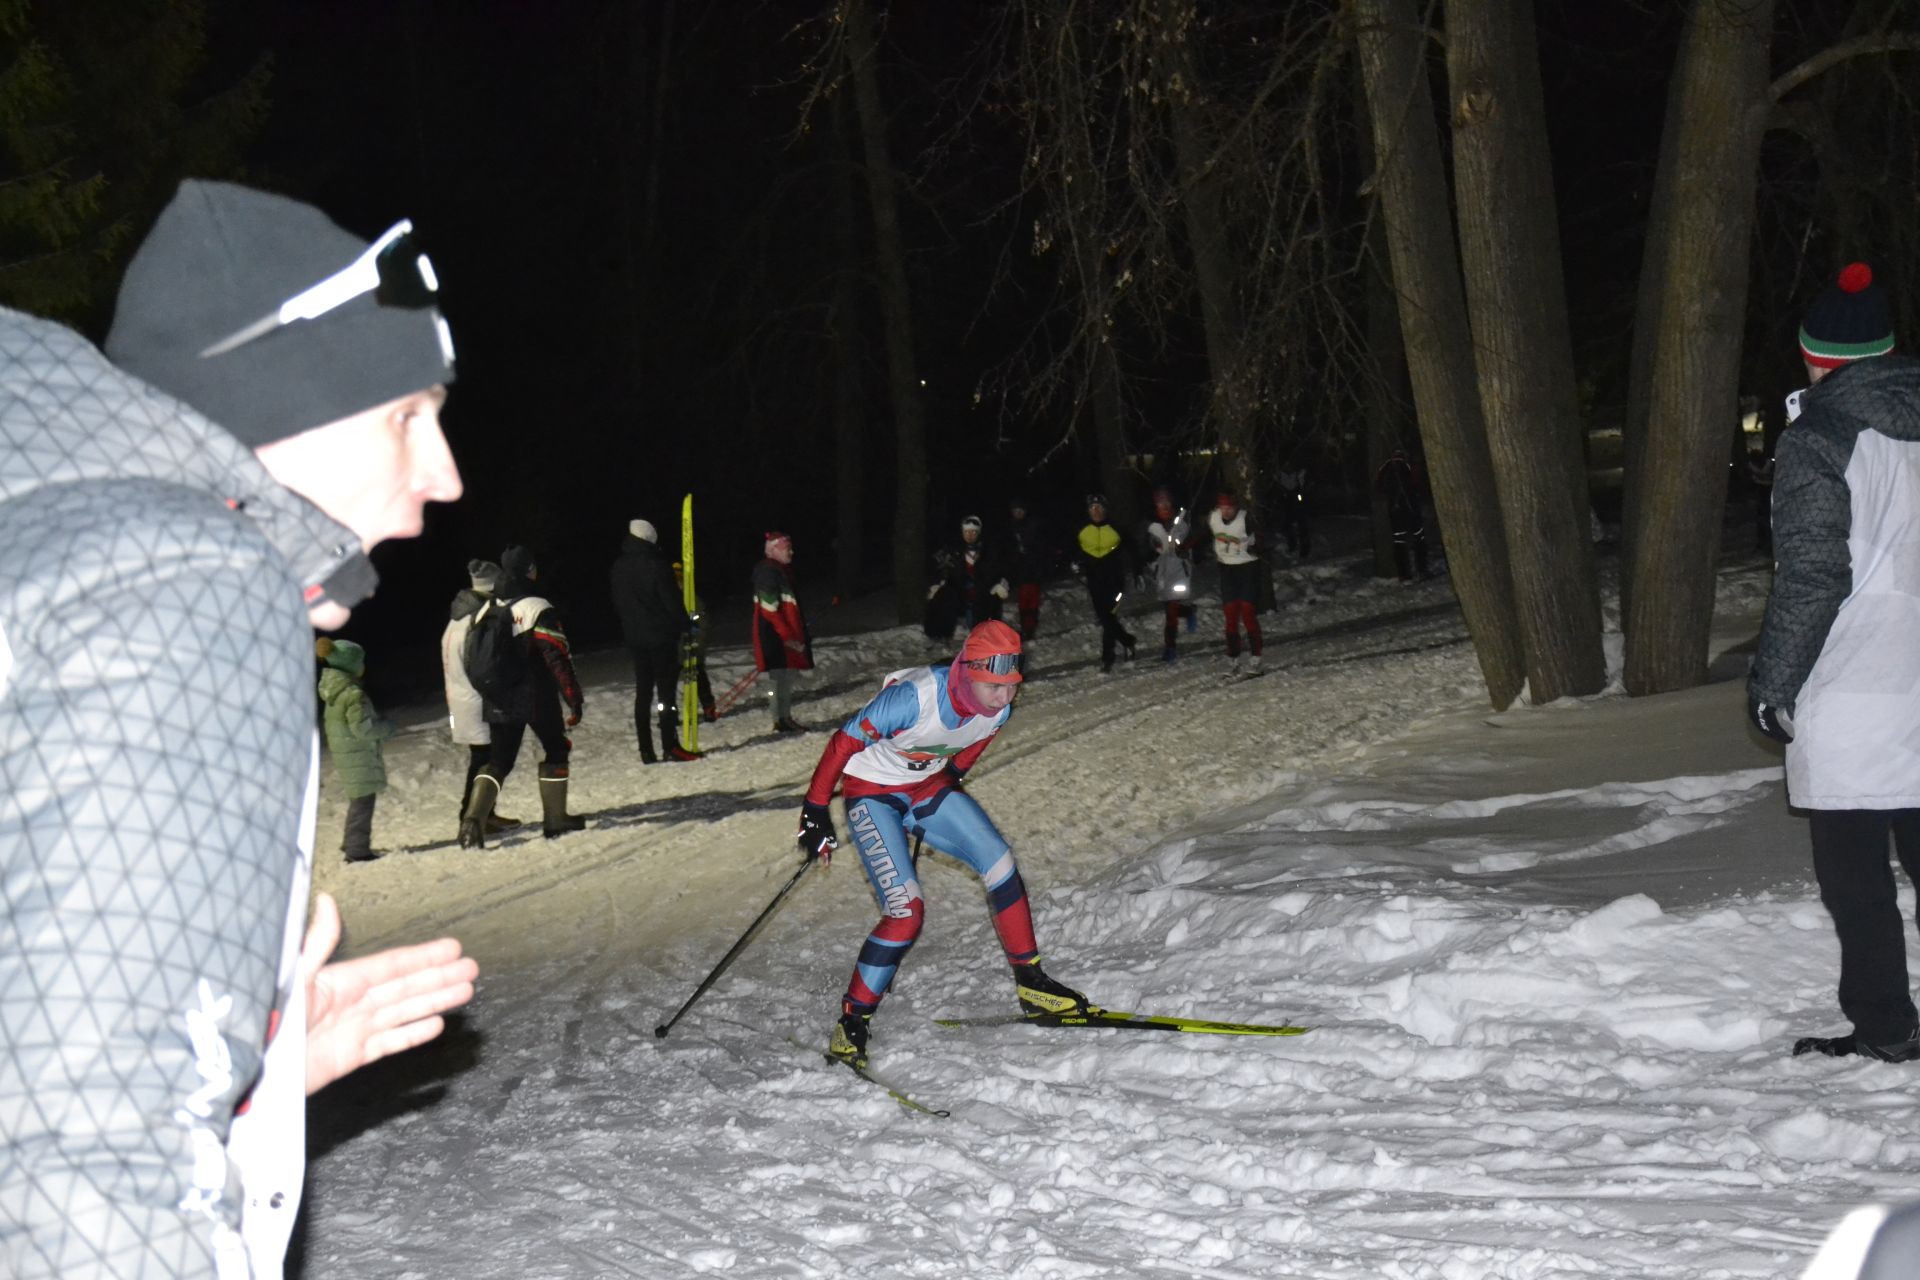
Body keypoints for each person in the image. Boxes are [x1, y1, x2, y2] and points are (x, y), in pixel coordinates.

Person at [0, 180, 478, 1279]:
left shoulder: (46, 553)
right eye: (409, 416)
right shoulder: (184, 581)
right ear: (281, 408)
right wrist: (147, 1099)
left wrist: (236, 1080)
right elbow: (83, 1179)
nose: (442, 478)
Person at [1749, 260, 1920, 1065]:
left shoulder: (1819, 438)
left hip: (1855, 683)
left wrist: (1773, 682)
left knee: (1857, 879)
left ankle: (1886, 1024)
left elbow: (1814, 573)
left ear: (1816, 357)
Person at [794, 620, 1087, 1067]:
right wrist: (816, 810)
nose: (1004, 698)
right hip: (873, 794)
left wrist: (950, 780)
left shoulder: (998, 708)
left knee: (999, 862)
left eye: (1011, 686)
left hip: (925, 788)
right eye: (994, 686)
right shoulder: (913, 698)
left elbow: (968, 751)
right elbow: (844, 742)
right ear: (968, 671)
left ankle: (1031, 983)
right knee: (906, 913)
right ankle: (853, 1020)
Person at [460, 544, 588, 844]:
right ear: (530, 570)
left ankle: (472, 821)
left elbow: (471, 657)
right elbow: (556, 656)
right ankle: (556, 819)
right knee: (556, 749)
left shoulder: (488, 608)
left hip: (497, 695)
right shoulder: (537, 607)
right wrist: (573, 697)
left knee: (498, 761)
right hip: (535, 696)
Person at [609, 518, 700, 763]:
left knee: (643, 692)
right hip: (661, 637)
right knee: (666, 693)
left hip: (635, 638)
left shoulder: (619, 566)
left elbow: (618, 604)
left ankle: (645, 749)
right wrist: (686, 625)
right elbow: (671, 601)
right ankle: (670, 745)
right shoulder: (657, 565)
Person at [441, 558, 520, 833]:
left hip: (462, 700)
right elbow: (484, 667)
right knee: (488, 760)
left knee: (482, 758)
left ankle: (480, 813)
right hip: (479, 702)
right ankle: (476, 815)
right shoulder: (479, 620)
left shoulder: (457, 618)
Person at [315, 637, 396, 863]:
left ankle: (351, 842)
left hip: (347, 753)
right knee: (363, 802)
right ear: (351, 665)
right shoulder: (352, 694)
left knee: (358, 799)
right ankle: (357, 850)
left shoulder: (333, 691)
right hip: (357, 753)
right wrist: (387, 727)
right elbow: (364, 729)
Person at [752, 531, 814, 732]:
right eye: (788, 548)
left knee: (786, 677)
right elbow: (769, 608)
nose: (791, 552)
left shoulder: (780, 570)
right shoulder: (767, 571)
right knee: (778, 678)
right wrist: (787, 635)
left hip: (782, 634)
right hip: (774, 635)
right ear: (775, 549)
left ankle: (784, 717)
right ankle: (779, 718)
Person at [1073, 494, 1136, 672]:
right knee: (1104, 618)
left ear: (1105, 510)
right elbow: (1075, 551)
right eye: (1093, 508)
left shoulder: (1116, 529)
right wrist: (1075, 563)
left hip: (1115, 581)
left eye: (1099, 508)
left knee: (1109, 617)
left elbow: (1133, 549)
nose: (1096, 512)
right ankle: (1127, 641)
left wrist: (1137, 571)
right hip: (1094, 581)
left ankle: (1107, 657)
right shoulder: (1082, 530)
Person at [923, 515, 1009, 645]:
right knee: (943, 597)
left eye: (973, 532)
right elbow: (940, 569)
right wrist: (936, 584)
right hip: (961, 592)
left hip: (982, 592)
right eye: (967, 532)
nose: (970, 535)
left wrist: (1000, 584)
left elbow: (998, 570)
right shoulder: (954, 550)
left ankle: (987, 637)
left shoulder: (988, 550)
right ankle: (939, 635)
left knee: (990, 601)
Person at [1209, 491, 1266, 676]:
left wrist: (1256, 548)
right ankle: (1233, 659)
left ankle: (1255, 658)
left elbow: (1261, 538)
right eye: (1222, 508)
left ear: (1236, 508)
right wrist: (1185, 548)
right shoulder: (1214, 518)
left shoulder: (1245, 519)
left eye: (1229, 508)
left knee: (1248, 612)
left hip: (1247, 568)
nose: (1225, 512)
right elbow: (1200, 535)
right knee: (1230, 616)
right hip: (1227, 570)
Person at [1144, 488, 1196, 663]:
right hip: (1162, 574)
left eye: (1166, 503)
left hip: (1179, 572)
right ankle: (1188, 611)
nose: (1164, 507)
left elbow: (1188, 542)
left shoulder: (1181, 523)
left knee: (1171, 613)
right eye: (1160, 504)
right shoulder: (1153, 526)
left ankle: (1170, 648)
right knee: (1169, 608)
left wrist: (1182, 547)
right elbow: (1150, 548)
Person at [672, 559, 718, 722]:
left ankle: (708, 707)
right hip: (673, 649)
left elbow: (702, 620)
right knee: (668, 682)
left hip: (693, 646)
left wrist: (697, 637)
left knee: (699, 678)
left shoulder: (692, 599)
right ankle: (670, 714)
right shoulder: (666, 599)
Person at [1375, 450, 1430, 581]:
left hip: (1394, 509)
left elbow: (1378, 486)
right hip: (1410, 507)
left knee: (1399, 540)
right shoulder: (1408, 465)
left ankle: (1404, 573)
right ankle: (1421, 569)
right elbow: (1417, 483)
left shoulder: (1385, 467)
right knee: (1419, 537)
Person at [1007, 497, 1050, 641]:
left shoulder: (1033, 526)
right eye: (1015, 511)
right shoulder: (1012, 528)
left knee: (1032, 600)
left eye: (1020, 511)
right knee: (1023, 601)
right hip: (1020, 571)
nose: (1018, 514)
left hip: (1033, 569)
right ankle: (1026, 627)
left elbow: (1040, 547)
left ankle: (1029, 628)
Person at [1274, 461, 1313, 560]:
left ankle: (1304, 549)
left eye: (1289, 465)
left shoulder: (1299, 474)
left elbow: (1306, 486)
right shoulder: (1280, 475)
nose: (1288, 466)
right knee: (1287, 525)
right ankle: (1292, 546)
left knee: (1302, 526)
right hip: (1287, 501)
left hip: (1298, 500)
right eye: (1286, 465)